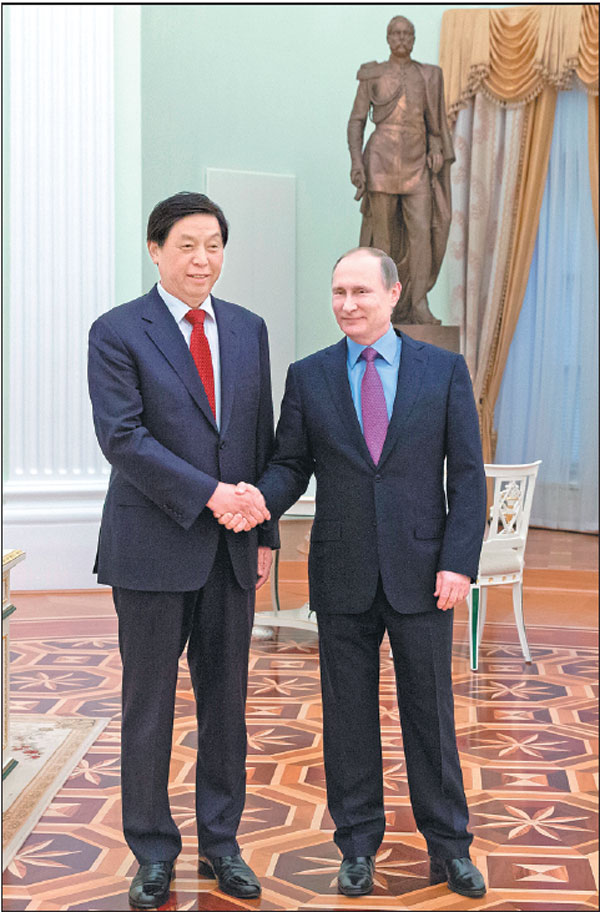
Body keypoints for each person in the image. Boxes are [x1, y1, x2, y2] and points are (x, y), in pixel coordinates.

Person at [219, 247, 487, 899]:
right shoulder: (309, 376)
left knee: (430, 715)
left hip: (424, 574)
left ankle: (450, 846)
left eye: (361, 291)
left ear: (392, 294)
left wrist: (458, 561)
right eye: (339, 292)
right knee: (347, 718)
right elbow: (290, 466)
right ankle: (358, 846)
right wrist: (256, 503)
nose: (348, 304)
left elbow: (467, 475)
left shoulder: (444, 370)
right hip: (342, 574)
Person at [88, 192, 278, 909]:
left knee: (226, 706)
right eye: (188, 245)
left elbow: (257, 435)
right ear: (156, 249)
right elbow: (123, 438)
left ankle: (222, 844)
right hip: (151, 546)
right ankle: (152, 851)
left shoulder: (249, 329)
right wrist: (211, 494)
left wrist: (264, 532)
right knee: (150, 707)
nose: (203, 260)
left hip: (232, 550)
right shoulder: (117, 331)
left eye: (214, 245)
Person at [347, 15, 454, 324]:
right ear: (388, 38)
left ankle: (418, 303)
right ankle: (384, 306)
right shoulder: (373, 74)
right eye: (396, 33)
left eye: (407, 34)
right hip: (381, 161)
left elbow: (435, 125)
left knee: (422, 232)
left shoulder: (428, 76)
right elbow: (356, 121)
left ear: (414, 39)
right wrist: (356, 161)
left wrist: (436, 146)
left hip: (417, 162)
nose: (402, 38)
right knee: (383, 242)